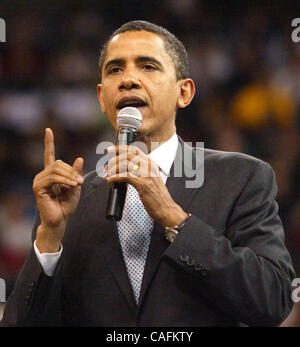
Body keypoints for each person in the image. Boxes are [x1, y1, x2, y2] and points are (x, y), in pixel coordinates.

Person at [0, 20, 295, 327]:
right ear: (102, 98)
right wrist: (49, 238)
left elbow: (272, 301)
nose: (128, 79)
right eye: (115, 69)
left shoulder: (242, 178)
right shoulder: (67, 202)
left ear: (184, 92)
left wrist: (173, 218)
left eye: (148, 66)